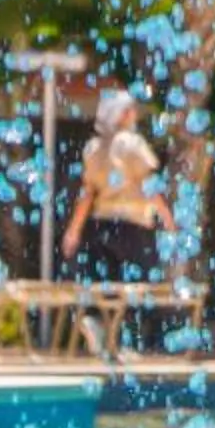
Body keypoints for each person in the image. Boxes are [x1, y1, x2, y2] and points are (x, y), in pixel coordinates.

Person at [61, 88, 170, 284]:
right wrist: (169, 221)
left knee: (105, 293)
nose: (135, 114)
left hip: (101, 226)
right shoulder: (132, 144)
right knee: (140, 293)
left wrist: (73, 230)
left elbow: (88, 194)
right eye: (131, 110)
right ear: (122, 114)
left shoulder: (94, 148)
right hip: (134, 228)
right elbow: (149, 186)